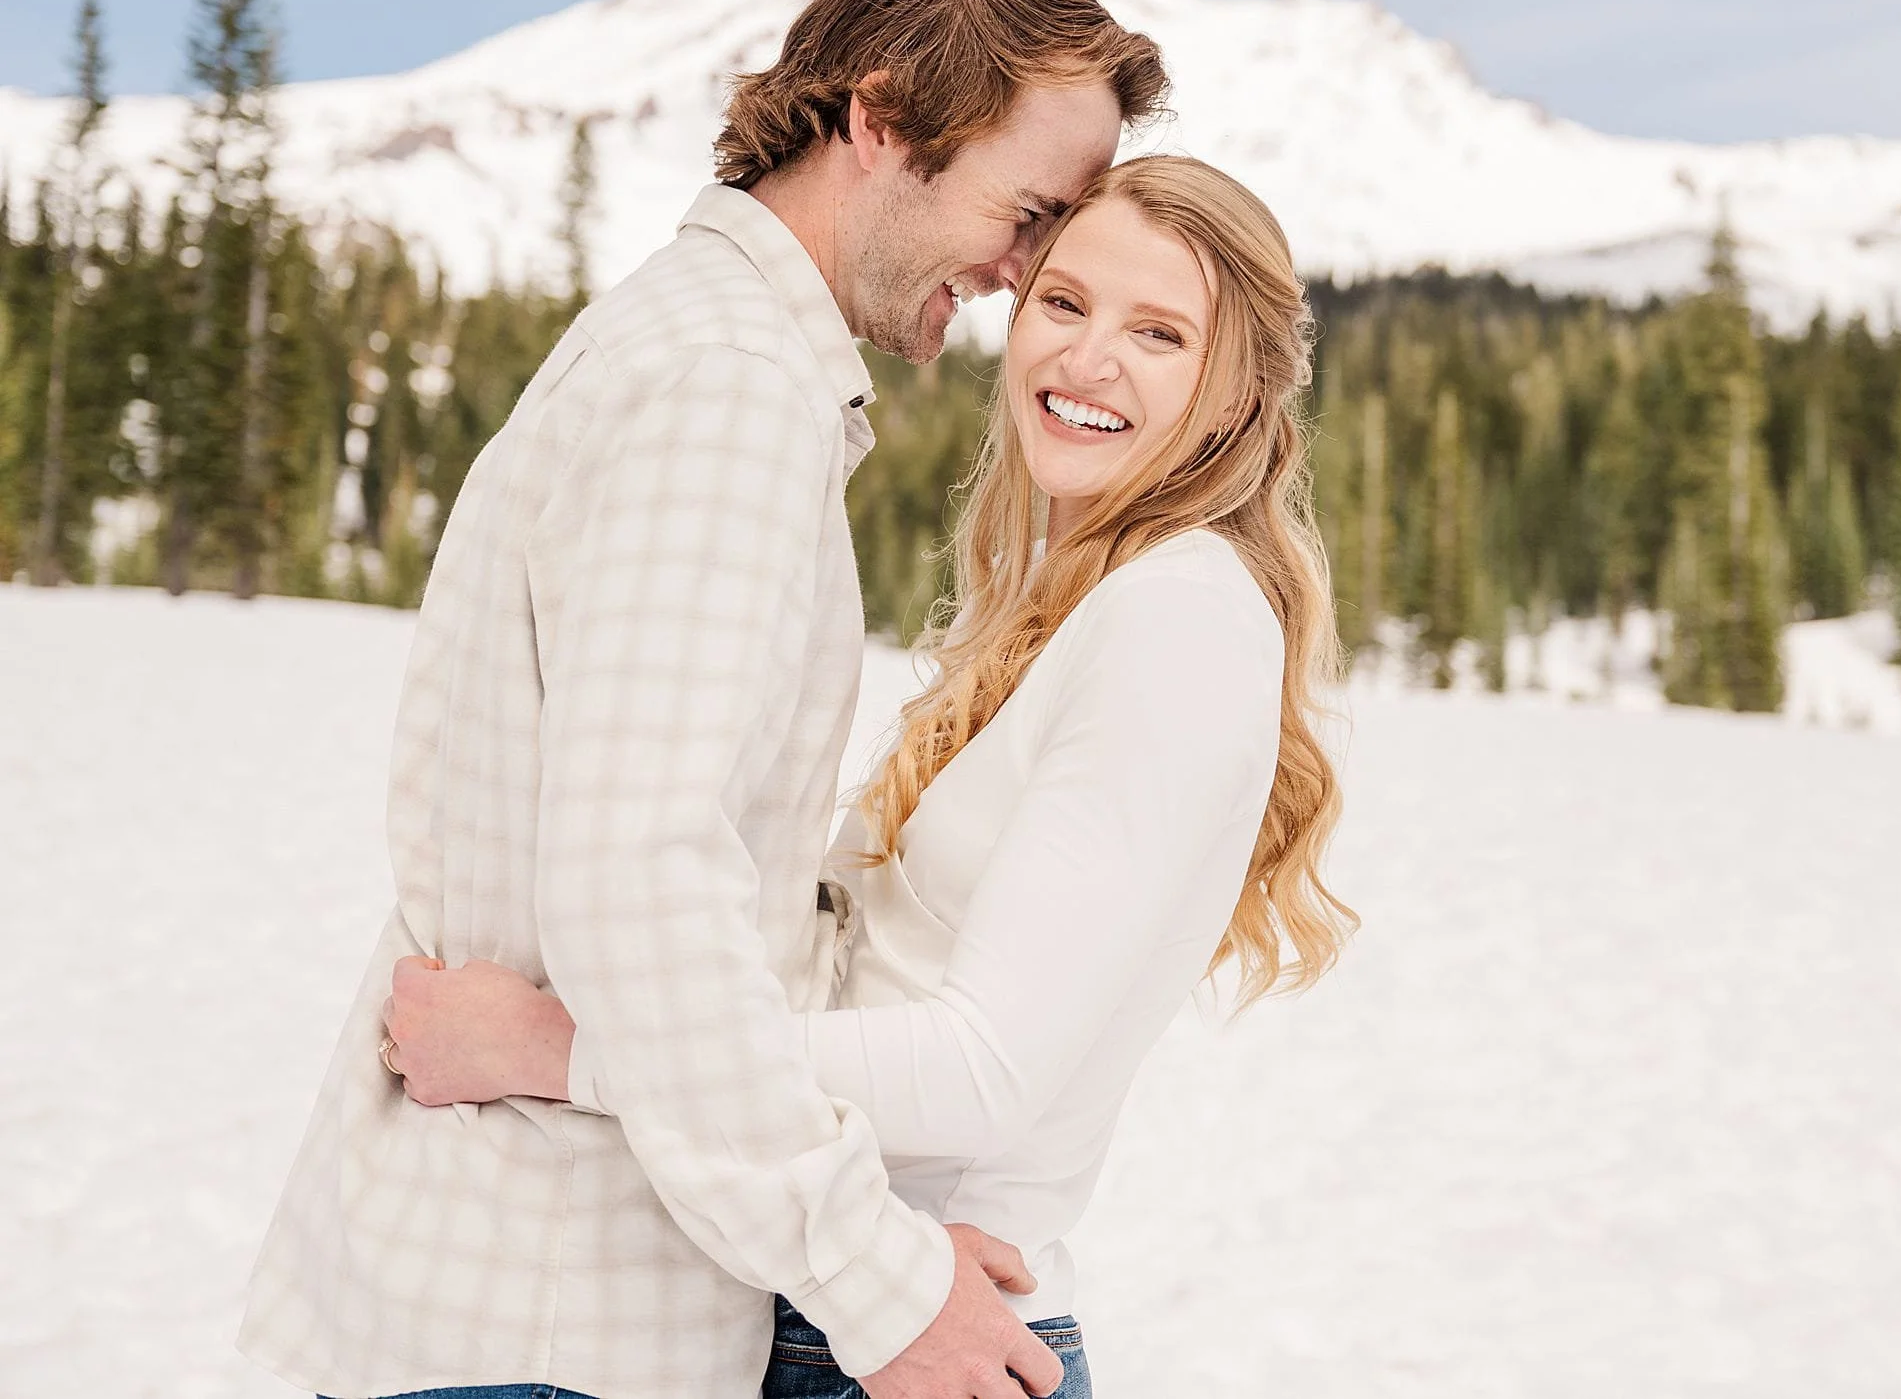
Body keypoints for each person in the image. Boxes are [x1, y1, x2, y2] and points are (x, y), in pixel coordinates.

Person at [240, 0, 1169, 1399]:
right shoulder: (726, 389)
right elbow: (642, 878)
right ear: (881, 119)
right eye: (1026, 211)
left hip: (521, 1287)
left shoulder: (698, 349)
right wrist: (878, 1281)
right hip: (556, 1306)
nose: (1023, 270)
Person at [379, 155, 1356, 1399]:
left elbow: (978, 1073)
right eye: (1064, 304)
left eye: (1159, 333)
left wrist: (561, 1046)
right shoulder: (1089, 602)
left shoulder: (1177, 617)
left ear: (1236, 396)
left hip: (920, 1330)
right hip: (850, 1305)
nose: (1088, 359)